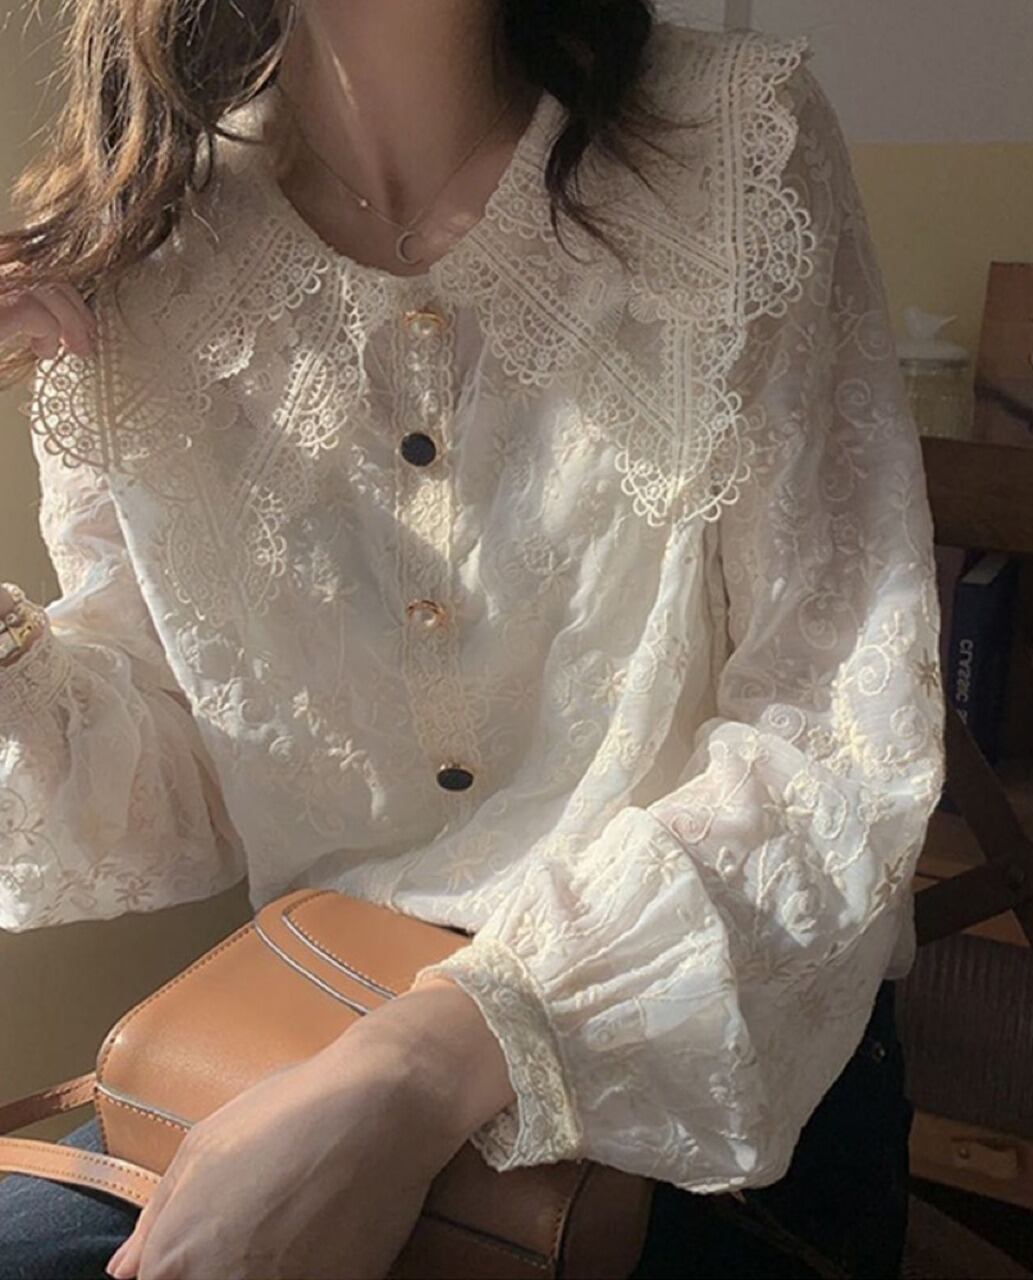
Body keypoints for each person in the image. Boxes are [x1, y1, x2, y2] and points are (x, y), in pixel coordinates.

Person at [0, 2, 946, 1277]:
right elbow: (169, 783)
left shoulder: (730, 148)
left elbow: (828, 738)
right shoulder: (140, 236)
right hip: (310, 1030)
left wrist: (421, 1065)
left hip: (702, 1052)